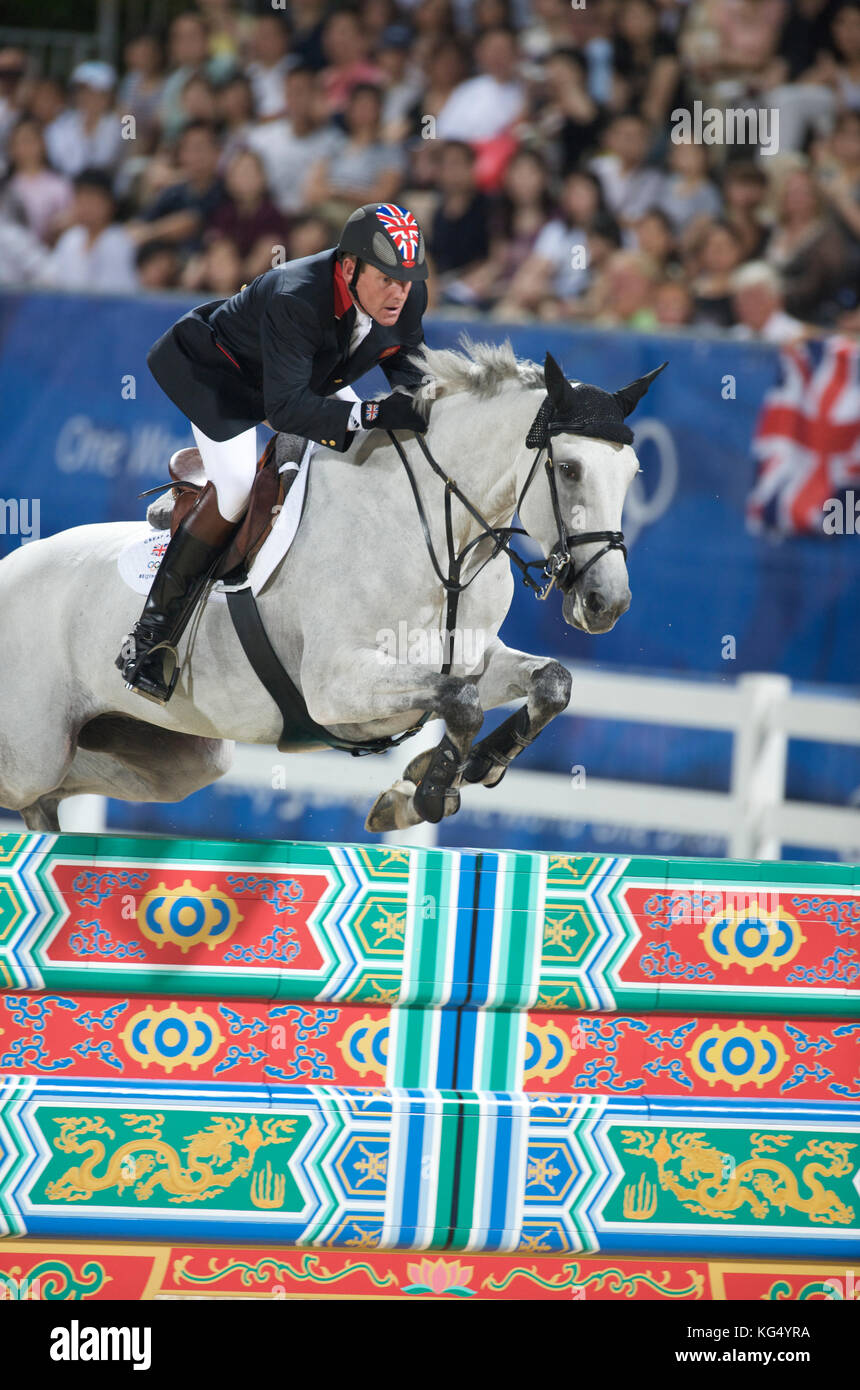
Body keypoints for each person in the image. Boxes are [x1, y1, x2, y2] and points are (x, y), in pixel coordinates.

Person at [116, 202, 430, 703]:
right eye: (388, 279)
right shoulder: (296, 295)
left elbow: (414, 380)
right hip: (220, 374)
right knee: (238, 488)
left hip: (300, 376)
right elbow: (285, 411)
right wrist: (370, 415)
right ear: (349, 268)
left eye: (408, 280)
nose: (399, 293)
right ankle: (151, 637)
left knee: (368, 455)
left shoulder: (407, 297)